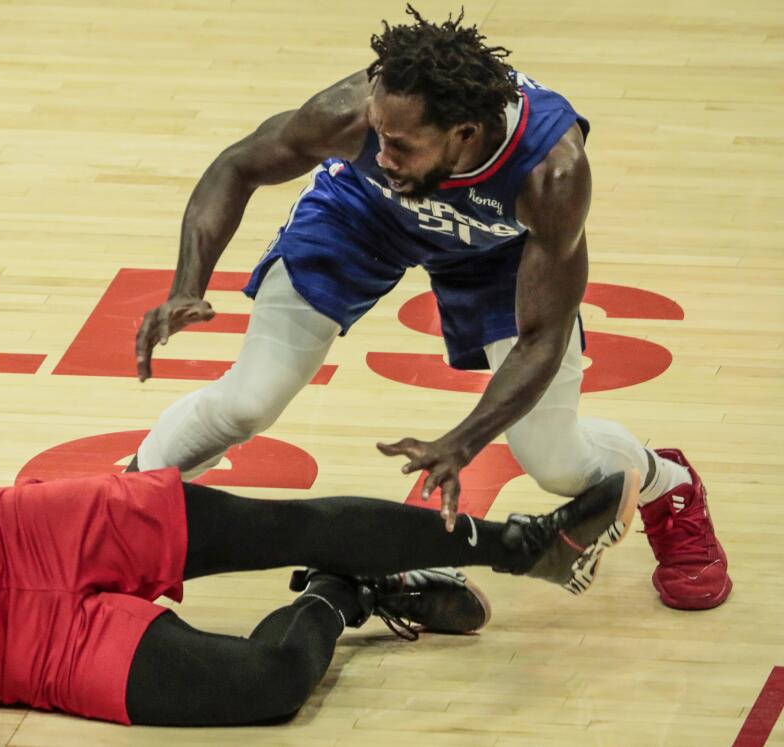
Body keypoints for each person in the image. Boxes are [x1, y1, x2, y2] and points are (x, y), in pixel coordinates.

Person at [130, 6, 728, 611]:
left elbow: (542, 337)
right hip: (359, 219)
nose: (381, 152)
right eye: (377, 131)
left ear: (465, 133)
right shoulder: (353, 116)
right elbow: (238, 165)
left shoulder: (552, 171)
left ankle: (668, 487)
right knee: (246, 401)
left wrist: (462, 442)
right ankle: (123, 504)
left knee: (554, 460)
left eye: (399, 143)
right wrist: (187, 284)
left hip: (495, 253)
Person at [0, 422, 638, 743]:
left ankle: (527, 544)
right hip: (22, 651)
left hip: (25, 533)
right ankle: (346, 594)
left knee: (277, 523)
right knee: (263, 693)